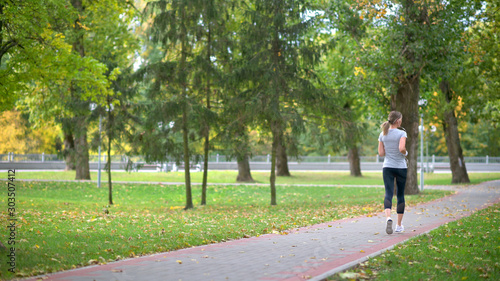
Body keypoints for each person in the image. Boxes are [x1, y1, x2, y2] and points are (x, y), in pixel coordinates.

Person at [378, 111, 407, 234]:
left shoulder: (382, 134)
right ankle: (399, 225)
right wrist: (405, 153)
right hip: (400, 167)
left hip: (387, 167)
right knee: (400, 195)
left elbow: (381, 153)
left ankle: (388, 218)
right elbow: (401, 148)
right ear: (398, 121)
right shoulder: (402, 133)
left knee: (388, 193)